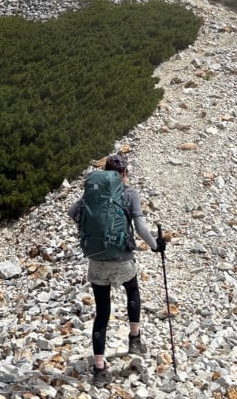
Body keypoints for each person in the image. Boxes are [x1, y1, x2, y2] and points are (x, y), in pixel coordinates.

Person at [68, 152, 165, 385]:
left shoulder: (92, 193)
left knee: (102, 312)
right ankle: (134, 339)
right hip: (122, 259)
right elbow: (140, 227)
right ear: (124, 173)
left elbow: (73, 213)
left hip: (96, 260)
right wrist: (156, 246)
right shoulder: (130, 193)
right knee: (132, 290)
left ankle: (99, 369)